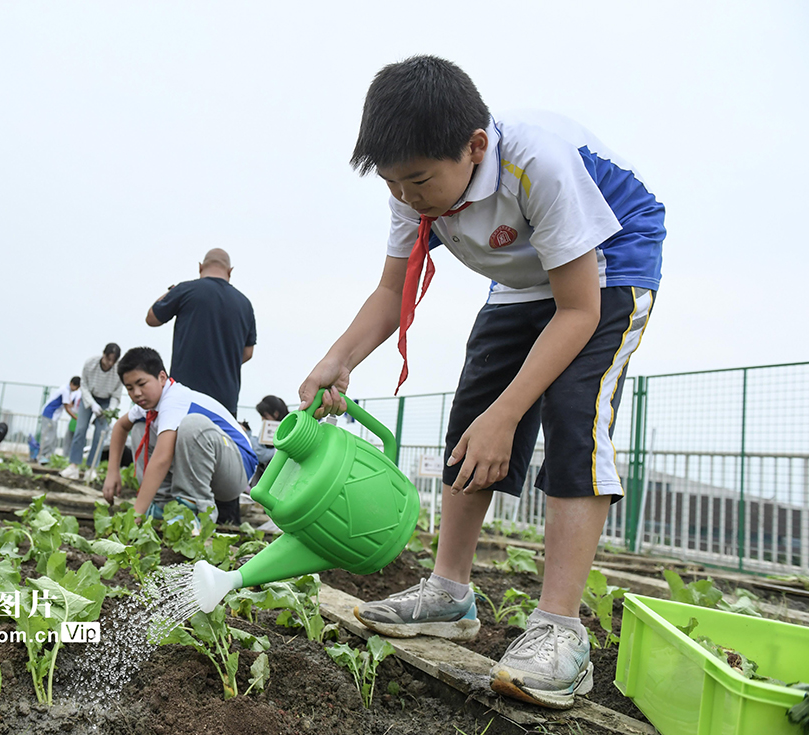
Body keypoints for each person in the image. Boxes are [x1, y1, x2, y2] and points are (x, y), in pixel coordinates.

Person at [297, 56, 664, 710]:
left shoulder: (538, 165)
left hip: (606, 267)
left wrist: (510, 413)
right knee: (473, 408)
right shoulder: (413, 186)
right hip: (524, 277)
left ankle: (560, 631)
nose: (406, 197)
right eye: (392, 184)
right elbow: (392, 292)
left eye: (416, 181)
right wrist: (340, 356)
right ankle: (448, 592)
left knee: (575, 414)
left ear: (475, 148)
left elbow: (577, 309)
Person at [102, 347, 256, 526]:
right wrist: (112, 471)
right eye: (130, 388)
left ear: (161, 377)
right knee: (139, 427)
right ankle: (163, 506)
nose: (136, 393)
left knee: (192, 425)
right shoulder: (150, 405)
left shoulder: (175, 399)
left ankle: (193, 511)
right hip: (209, 470)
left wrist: (136, 513)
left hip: (236, 471)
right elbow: (121, 426)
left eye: (141, 384)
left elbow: (162, 458)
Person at [146, 248, 256, 416]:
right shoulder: (245, 304)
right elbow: (248, 352)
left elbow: (152, 319)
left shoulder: (185, 290)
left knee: (179, 440)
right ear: (230, 271)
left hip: (184, 396)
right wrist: (223, 361)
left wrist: (172, 291)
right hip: (224, 401)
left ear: (200, 267)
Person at [61, 343, 123, 480]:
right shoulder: (90, 364)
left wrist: (110, 410)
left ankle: (91, 468)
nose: (110, 363)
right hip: (89, 398)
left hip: (107, 401)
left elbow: (116, 395)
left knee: (100, 435)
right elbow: (84, 386)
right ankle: (73, 466)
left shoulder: (119, 370)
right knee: (80, 429)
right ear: (103, 354)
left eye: (114, 361)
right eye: (108, 359)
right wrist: (92, 404)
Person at [38, 376, 80, 463]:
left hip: (53, 416)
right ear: (72, 384)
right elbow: (67, 408)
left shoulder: (66, 390)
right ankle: (43, 456)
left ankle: (48, 456)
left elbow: (68, 405)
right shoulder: (65, 391)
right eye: (77, 387)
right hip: (50, 415)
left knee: (53, 437)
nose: (76, 390)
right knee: (49, 437)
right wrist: (76, 418)